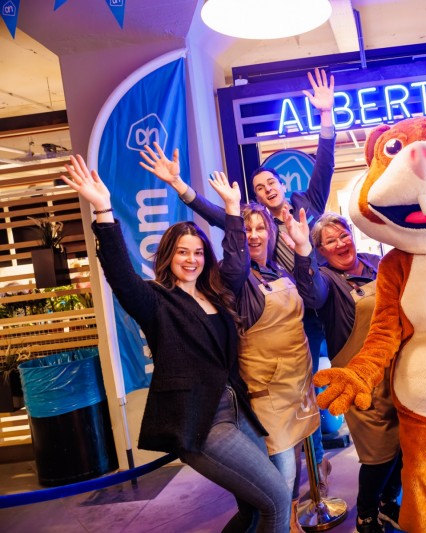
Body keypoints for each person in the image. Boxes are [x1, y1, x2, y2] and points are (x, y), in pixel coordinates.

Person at [61, 155, 291, 532]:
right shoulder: (156, 300)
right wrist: (103, 210)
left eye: (198, 252)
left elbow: (237, 261)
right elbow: (119, 274)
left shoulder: (217, 294)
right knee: (278, 500)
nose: (192, 259)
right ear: (168, 256)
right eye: (183, 251)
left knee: (253, 507)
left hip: (236, 411)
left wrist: (233, 211)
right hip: (200, 424)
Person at [140, 67, 336, 492]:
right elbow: (221, 220)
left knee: (313, 391)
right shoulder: (253, 226)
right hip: (269, 315)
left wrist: (325, 117)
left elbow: (325, 164)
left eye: (269, 183)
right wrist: (182, 189)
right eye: (257, 187)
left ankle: (317, 465)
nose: (264, 189)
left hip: (310, 308)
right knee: (284, 399)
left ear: (284, 184)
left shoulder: (308, 204)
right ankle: (302, 476)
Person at [297, 213, 402, 533]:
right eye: (330, 241)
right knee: (377, 453)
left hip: (397, 369)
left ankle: (387, 503)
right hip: (357, 380)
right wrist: (302, 250)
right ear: (321, 251)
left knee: (403, 446)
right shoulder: (326, 280)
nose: (341, 243)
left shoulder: (376, 264)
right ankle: (366, 515)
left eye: (343, 235)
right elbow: (311, 293)